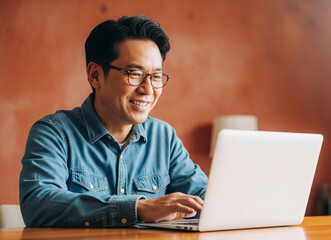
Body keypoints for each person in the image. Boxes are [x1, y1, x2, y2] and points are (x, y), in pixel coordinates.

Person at [19, 15, 208, 227]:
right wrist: (138, 209)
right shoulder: (54, 133)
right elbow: (38, 203)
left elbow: (207, 198)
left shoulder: (163, 137)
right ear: (95, 75)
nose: (148, 90)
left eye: (156, 76)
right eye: (134, 74)